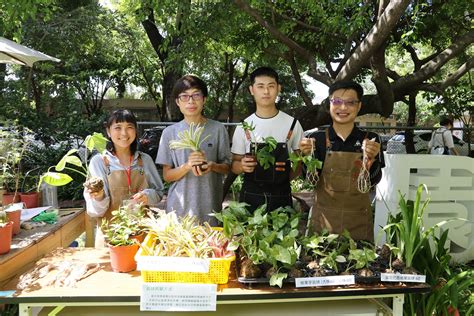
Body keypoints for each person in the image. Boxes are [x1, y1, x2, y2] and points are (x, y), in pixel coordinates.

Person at [299, 81, 384, 241]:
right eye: (337, 101)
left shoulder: (371, 139)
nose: (343, 107)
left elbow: (373, 181)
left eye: (350, 102)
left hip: (358, 224)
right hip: (322, 226)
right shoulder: (315, 139)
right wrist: (306, 158)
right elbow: (309, 181)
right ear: (329, 104)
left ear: (359, 106)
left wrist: (371, 160)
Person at [156, 75, 231, 224]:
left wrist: (213, 166)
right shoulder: (169, 133)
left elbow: (227, 167)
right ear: (178, 102)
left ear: (204, 99)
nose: (191, 101)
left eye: (196, 95)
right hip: (178, 211)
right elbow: (167, 175)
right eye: (184, 96)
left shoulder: (217, 129)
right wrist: (186, 166)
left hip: (210, 210)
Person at [84, 109, 164, 247]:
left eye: (129, 127)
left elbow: (159, 192)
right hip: (111, 238)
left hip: (142, 235)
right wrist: (99, 196)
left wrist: (147, 196)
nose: (124, 133)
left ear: (135, 131)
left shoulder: (144, 160)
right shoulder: (99, 162)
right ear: (108, 132)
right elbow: (95, 211)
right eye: (118, 128)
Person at [231, 66, 304, 212]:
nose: (266, 91)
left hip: (282, 197)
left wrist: (281, 179)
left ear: (278, 88)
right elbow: (234, 165)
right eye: (260, 86)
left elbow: (299, 163)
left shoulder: (292, 124)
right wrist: (242, 166)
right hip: (250, 197)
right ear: (252, 90)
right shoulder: (244, 126)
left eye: (271, 86)